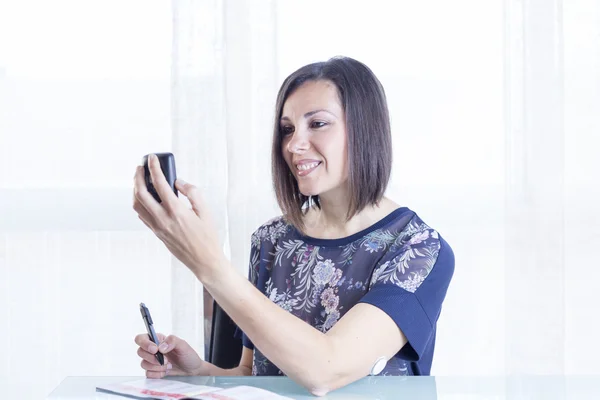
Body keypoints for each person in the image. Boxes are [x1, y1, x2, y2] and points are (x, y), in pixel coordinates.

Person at [132, 56, 454, 396]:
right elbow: (254, 373)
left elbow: (327, 371)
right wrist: (197, 372)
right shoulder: (272, 240)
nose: (294, 145)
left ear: (365, 128)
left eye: (317, 124)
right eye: (288, 129)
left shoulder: (418, 249)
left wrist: (209, 265)